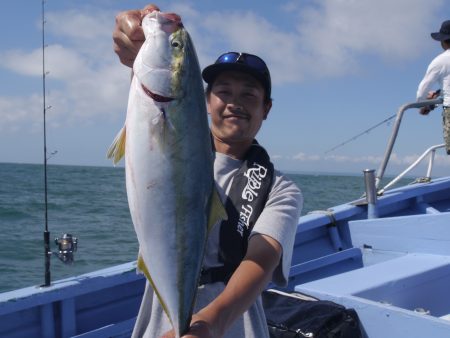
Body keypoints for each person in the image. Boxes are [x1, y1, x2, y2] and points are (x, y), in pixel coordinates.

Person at [113, 5, 303, 338]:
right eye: (223, 92)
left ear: (266, 108)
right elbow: (151, 111)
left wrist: (211, 322)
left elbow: (263, 257)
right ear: (205, 100)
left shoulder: (281, 190)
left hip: (233, 326)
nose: (234, 102)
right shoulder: (173, 144)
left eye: (249, 94)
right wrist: (140, 46)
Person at [416, 19, 450, 154]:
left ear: (443, 41)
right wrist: (438, 93)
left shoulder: (440, 61)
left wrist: (425, 105)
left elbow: (421, 92)